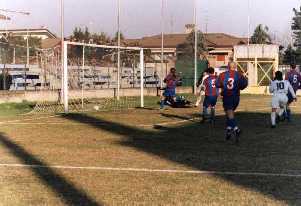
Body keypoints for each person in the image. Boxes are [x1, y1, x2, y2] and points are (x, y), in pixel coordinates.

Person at [217, 61, 248, 143]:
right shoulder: (239, 74)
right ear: (235, 67)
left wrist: (222, 86)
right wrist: (240, 87)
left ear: (228, 66)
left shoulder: (223, 74)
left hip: (227, 96)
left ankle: (236, 129)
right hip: (236, 97)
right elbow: (245, 84)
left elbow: (217, 84)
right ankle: (228, 130)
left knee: (229, 114)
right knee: (229, 114)